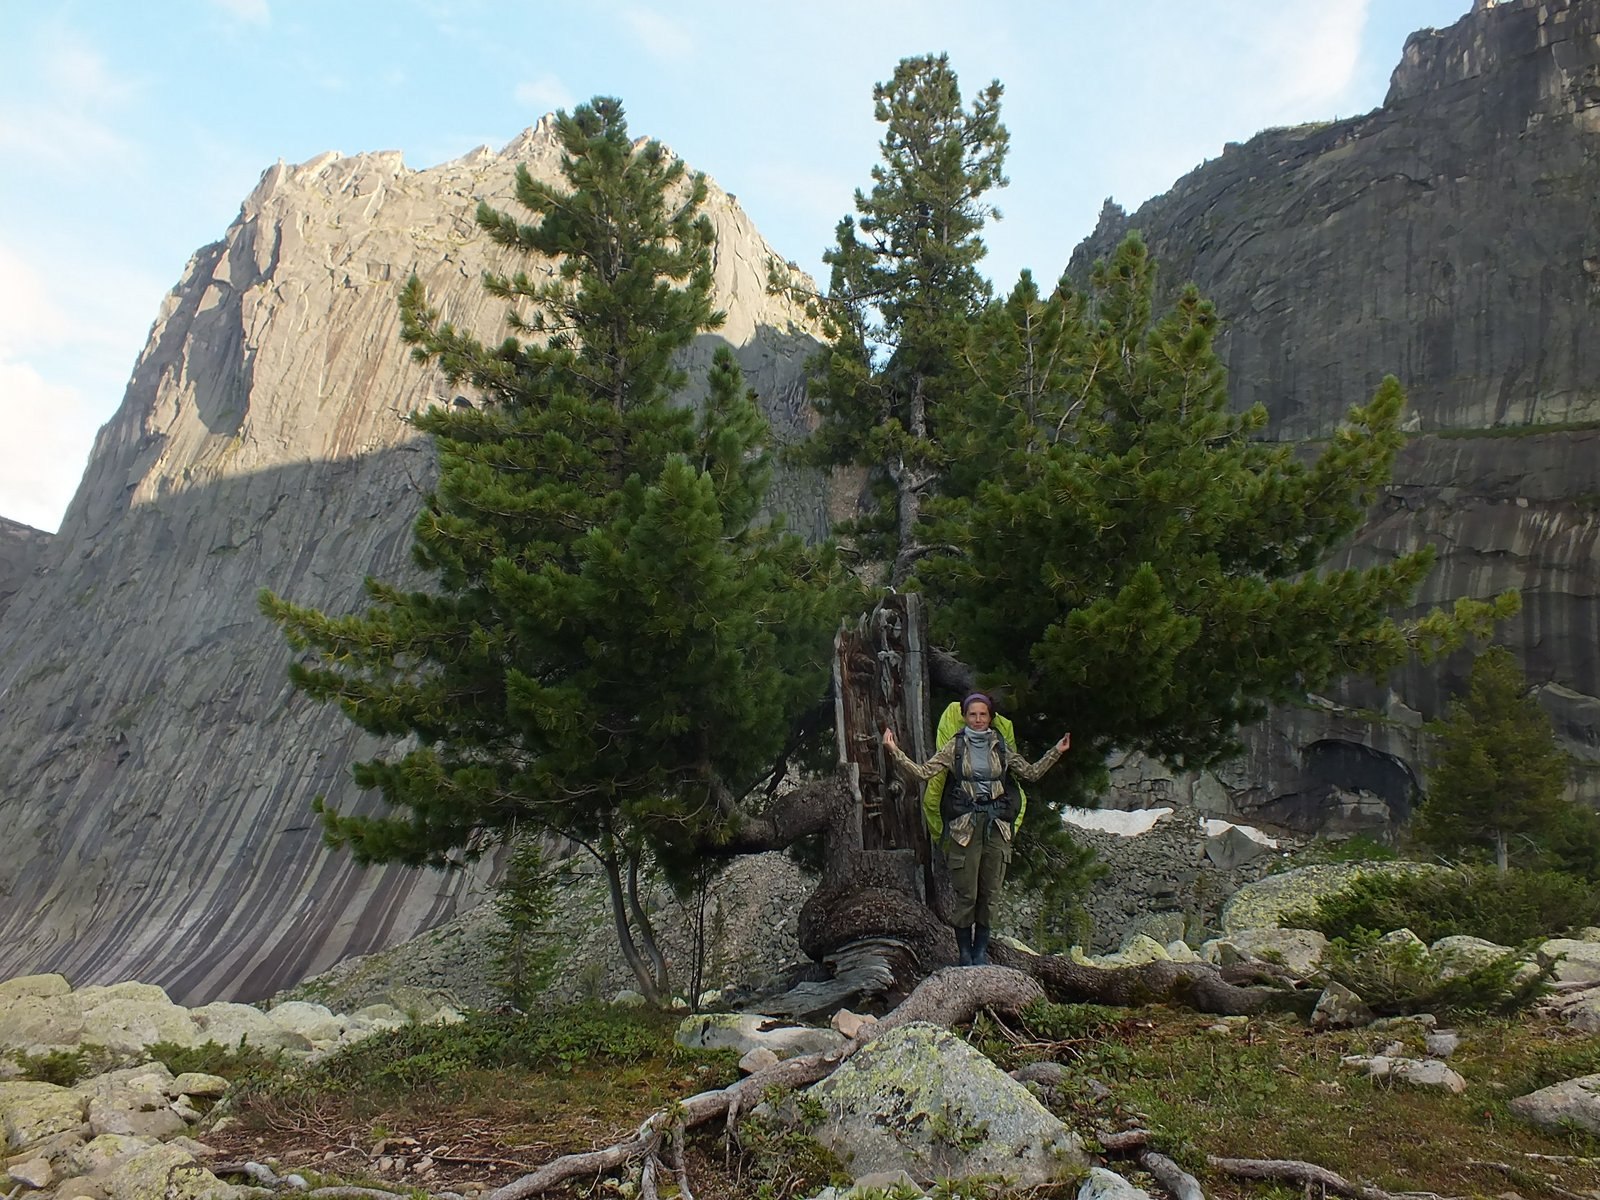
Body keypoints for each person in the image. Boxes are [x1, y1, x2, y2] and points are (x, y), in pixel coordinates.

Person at [883, 693, 1070, 966]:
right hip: (965, 828)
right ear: (965, 717)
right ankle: (964, 954)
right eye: (973, 714)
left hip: (996, 827)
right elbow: (923, 773)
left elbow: (1030, 774)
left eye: (983, 714)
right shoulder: (955, 746)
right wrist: (894, 751)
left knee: (989, 893)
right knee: (967, 894)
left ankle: (980, 951)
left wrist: (1057, 751)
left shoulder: (1001, 746)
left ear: (990, 718)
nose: (978, 719)